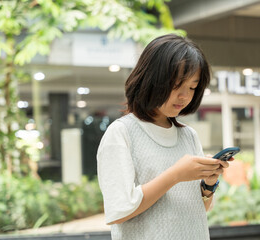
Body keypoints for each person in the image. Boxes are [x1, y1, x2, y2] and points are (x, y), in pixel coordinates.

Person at [97, 34, 229, 240]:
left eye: (192, 87)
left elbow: (198, 210)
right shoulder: (122, 133)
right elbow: (119, 210)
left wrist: (208, 185)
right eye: (177, 85)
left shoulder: (188, 136)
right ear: (151, 80)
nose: (185, 96)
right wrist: (176, 174)